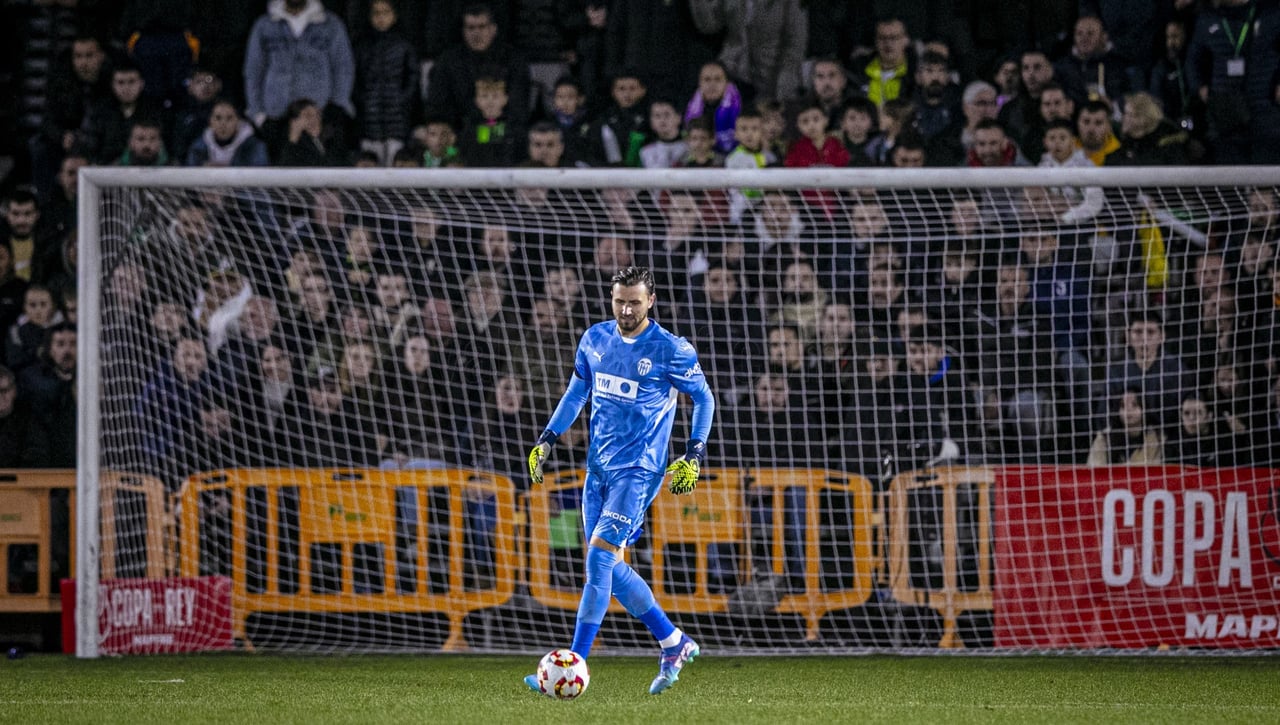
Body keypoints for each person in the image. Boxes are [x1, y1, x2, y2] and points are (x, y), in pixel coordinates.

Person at [523, 265, 714, 696]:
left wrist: (693, 454)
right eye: (619, 301)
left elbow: (704, 397)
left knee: (597, 562)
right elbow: (577, 394)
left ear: (651, 300)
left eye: (635, 301)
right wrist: (547, 440)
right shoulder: (595, 339)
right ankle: (673, 642)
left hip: (640, 471)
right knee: (611, 567)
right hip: (599, 469)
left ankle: (572, 664)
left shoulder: (670, 349)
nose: (626, 309)